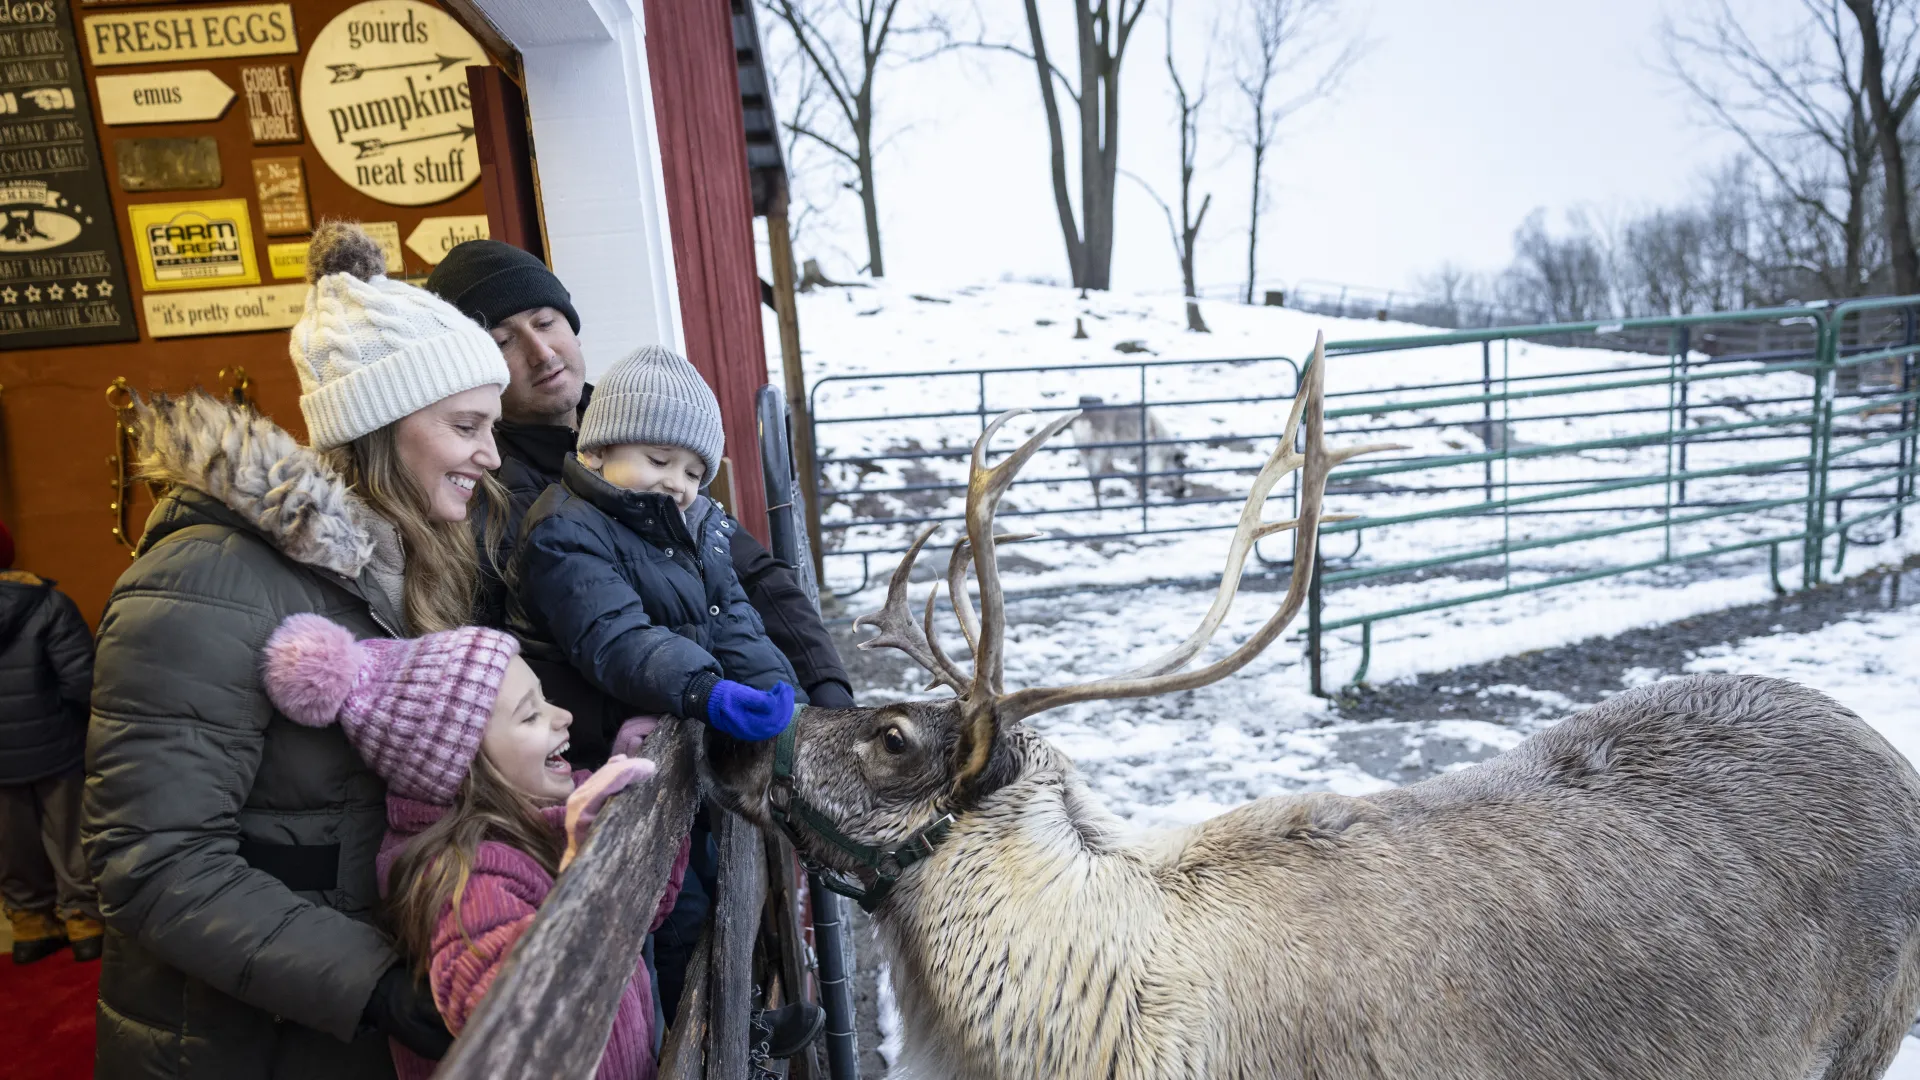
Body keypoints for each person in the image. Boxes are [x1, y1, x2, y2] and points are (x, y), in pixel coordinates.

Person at [82, 221, 511, 1078]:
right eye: (466, 424)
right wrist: (377, 987)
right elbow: (152, 863)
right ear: (382, 426)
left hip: (336, 1024)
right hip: (238, 1043)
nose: (489, 455)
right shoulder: (208, 582)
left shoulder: (398, 565)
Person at [423, 240, 856, 711]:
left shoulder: (650, 427)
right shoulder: (483, 489)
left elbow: (751, 573)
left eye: (547, 322)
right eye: (504, 341)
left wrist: (827, 686)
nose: (542, 352)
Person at [260, 613, 687, 1080]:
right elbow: (521, 1018)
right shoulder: (462, 876)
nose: (563, 716)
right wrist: (588, 870)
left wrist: (630, 796)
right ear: (463, 766)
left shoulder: (548, 810)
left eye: (545, 699)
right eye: (531, 714)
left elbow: (651, 905)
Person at [512, 344, 805, 757]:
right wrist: (706, 690)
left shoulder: (696, 530)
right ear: (595, 451)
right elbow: (616, 638)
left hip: (681, 713)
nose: (676, 483)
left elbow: (736, 623)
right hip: (595, 743)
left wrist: (795, 714)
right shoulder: (565, 531)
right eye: (658, 460)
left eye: (693, 473)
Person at [0, 518, 103, 964]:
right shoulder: (49, 605)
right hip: (56, 746)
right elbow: (83, 681)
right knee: (70, 839)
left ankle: (30, 925)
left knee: (10, 842)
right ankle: (84, 923)